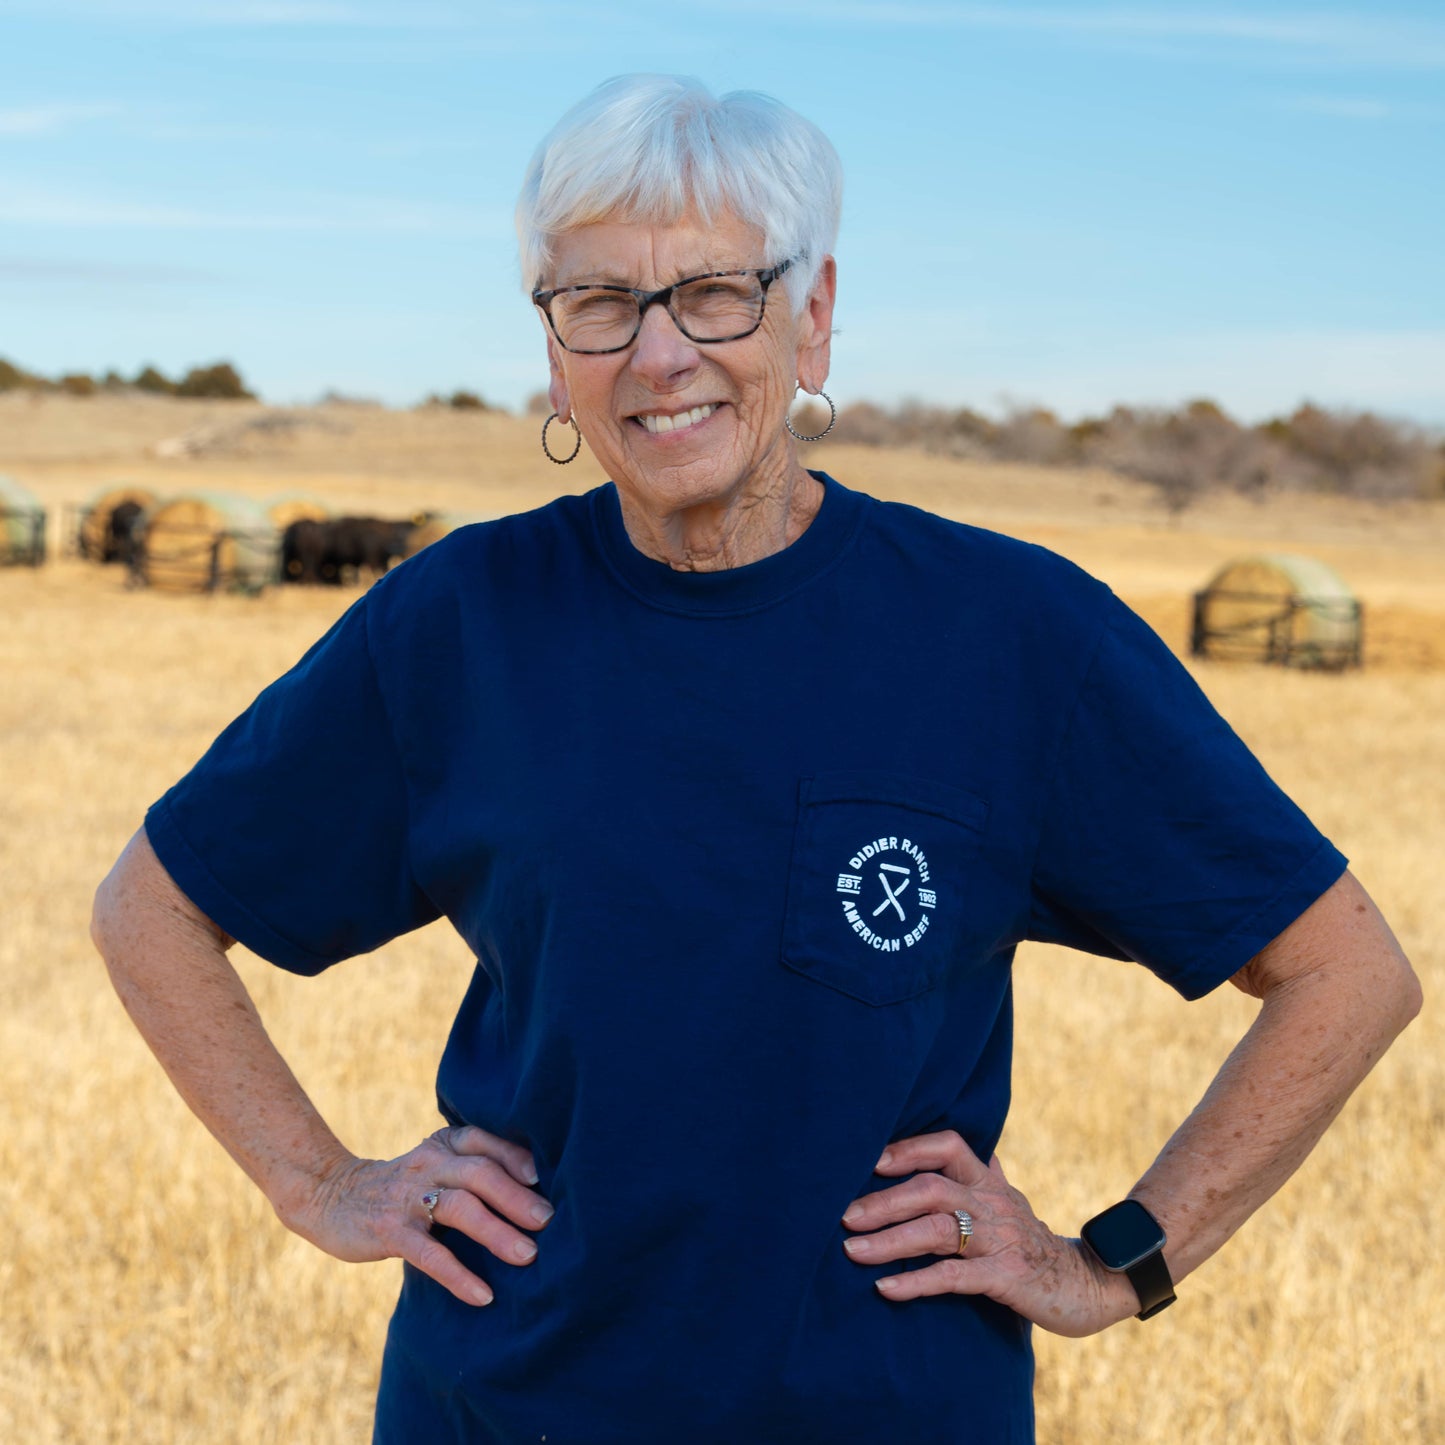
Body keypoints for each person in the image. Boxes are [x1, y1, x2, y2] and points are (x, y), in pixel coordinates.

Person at [92, 75, 1420, 1443]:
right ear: (555, 354)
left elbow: (1344, 971)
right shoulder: (459, 623)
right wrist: (316, 1183)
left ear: (814, 316)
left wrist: (1112, 1259)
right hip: (505, 1405)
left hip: (887, 1411)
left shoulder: (1009, 633)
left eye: (715, 290)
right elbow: (155, 904)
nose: (659, 354)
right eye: (599, 302)